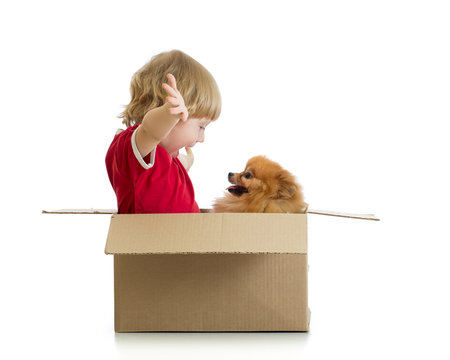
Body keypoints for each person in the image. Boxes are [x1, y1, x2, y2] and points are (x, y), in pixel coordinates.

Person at [105, 50, 221, 214]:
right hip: (155, 239)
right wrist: (168, 112)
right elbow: (151, 131)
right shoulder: (132, 149)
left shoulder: (162, 158)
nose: (202, 138)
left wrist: (184, 164)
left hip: (185, 236)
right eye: (201, 127)